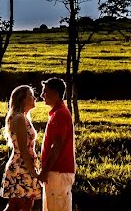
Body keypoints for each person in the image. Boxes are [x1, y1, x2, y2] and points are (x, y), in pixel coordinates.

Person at [0, 85, 41, 211]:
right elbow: (23, 150)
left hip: (24, 165)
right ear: (22, 99)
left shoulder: (22, 117)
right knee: (19, 206)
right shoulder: (19, 118)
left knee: (24, 205)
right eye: (30, 95)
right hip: (21, 167)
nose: (34, 98)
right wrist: (33, 172)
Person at [37, 77, 76, 211]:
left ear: (55, 93)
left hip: (58, 172)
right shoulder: (57, 113)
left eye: (45, 91)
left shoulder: (60, 114)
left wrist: (44, 171)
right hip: (57, 172)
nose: (42, 95)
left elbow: (57, 146)